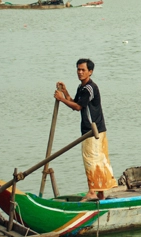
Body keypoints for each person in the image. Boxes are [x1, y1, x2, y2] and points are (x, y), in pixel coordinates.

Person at [54, 58, 117, 200]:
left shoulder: (89, 88)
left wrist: (61, 99)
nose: (80, 72)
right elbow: (76, 102)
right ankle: (100, 192)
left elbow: (77, 107)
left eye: (83, 70)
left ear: (90, 72)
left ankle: (92, 191)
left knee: (91, 160)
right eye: (78, 69)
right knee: (99, 160)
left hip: (92, 131)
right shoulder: (82, 88)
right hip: (96, 130)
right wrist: (64, 92)